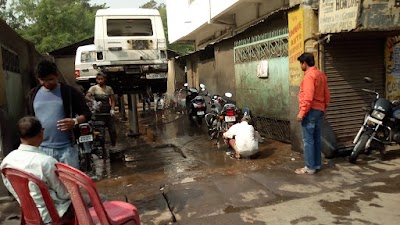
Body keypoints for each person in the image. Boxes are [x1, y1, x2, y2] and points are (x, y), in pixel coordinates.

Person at [0, 116, 74, 223]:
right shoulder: (46, 162)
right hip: (52, 215)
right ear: (41, 133)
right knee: (86, 199)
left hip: (28, 212)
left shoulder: (7, 161)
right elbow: (64, 194)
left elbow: (11, 188)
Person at [26, 59, 91, 169]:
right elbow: (29, 120)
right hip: (41, 150)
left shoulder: (69, 92)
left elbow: (87, 114)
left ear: (57, 76)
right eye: (43, 80)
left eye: (50, 79)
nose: (47, 83)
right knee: (47, 184)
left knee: (70, 184)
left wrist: (74, 121)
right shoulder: (32, 95)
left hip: (67, 150)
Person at [295, 53, 330, 175]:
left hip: (310, 111)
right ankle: (316, 164)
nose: (301, 66)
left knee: (308, 140)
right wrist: (323, 109)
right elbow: (327, 96)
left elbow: (308, 97)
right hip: (319, 111)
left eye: (301, 63)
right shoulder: (321, 75)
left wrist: (302, 112)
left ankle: (310, 167)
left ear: (304, 63)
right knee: (316, 139)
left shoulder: (309, 76)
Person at [85, 72, 117, 148]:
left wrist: (112, 109)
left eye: (101, 79)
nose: (100, 81)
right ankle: (101, 146)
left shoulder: (109, 88)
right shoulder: (94, 88)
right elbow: (86, 97)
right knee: (100, 131)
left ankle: (114, 145)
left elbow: (113, 100)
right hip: (98, 112)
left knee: (112, 130)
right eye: (98, 79)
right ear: (96, 80)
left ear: (105, 79)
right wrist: (93, 101)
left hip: (108, 112)